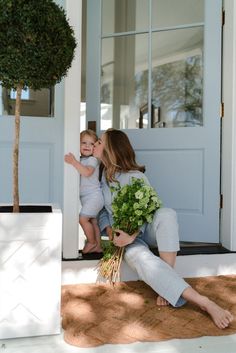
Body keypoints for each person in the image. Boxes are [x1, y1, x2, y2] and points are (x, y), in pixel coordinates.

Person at [93, 128, 234, 329]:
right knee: (142, 259)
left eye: (99, 142)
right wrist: (110, 232)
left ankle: (184, 294)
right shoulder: (100, 179)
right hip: (122, 238)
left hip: (142, 232)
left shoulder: (135, 176)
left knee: (166, 214)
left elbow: (150, 209)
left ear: (111, 149)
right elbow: (102, 212)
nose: (95, 144)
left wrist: (132, 234)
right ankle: (192, 296)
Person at [64, 129, 104, 253]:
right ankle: (98, 246)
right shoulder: (81, 160)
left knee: (82, 219)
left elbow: (87, 172)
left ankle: (91, 242)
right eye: (84, 142)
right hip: (88, 197)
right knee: (93, 221)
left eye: (91, 144)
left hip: (94, 197)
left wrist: (73, 162)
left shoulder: (92, 160)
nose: (87, 146)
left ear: (95, 147)